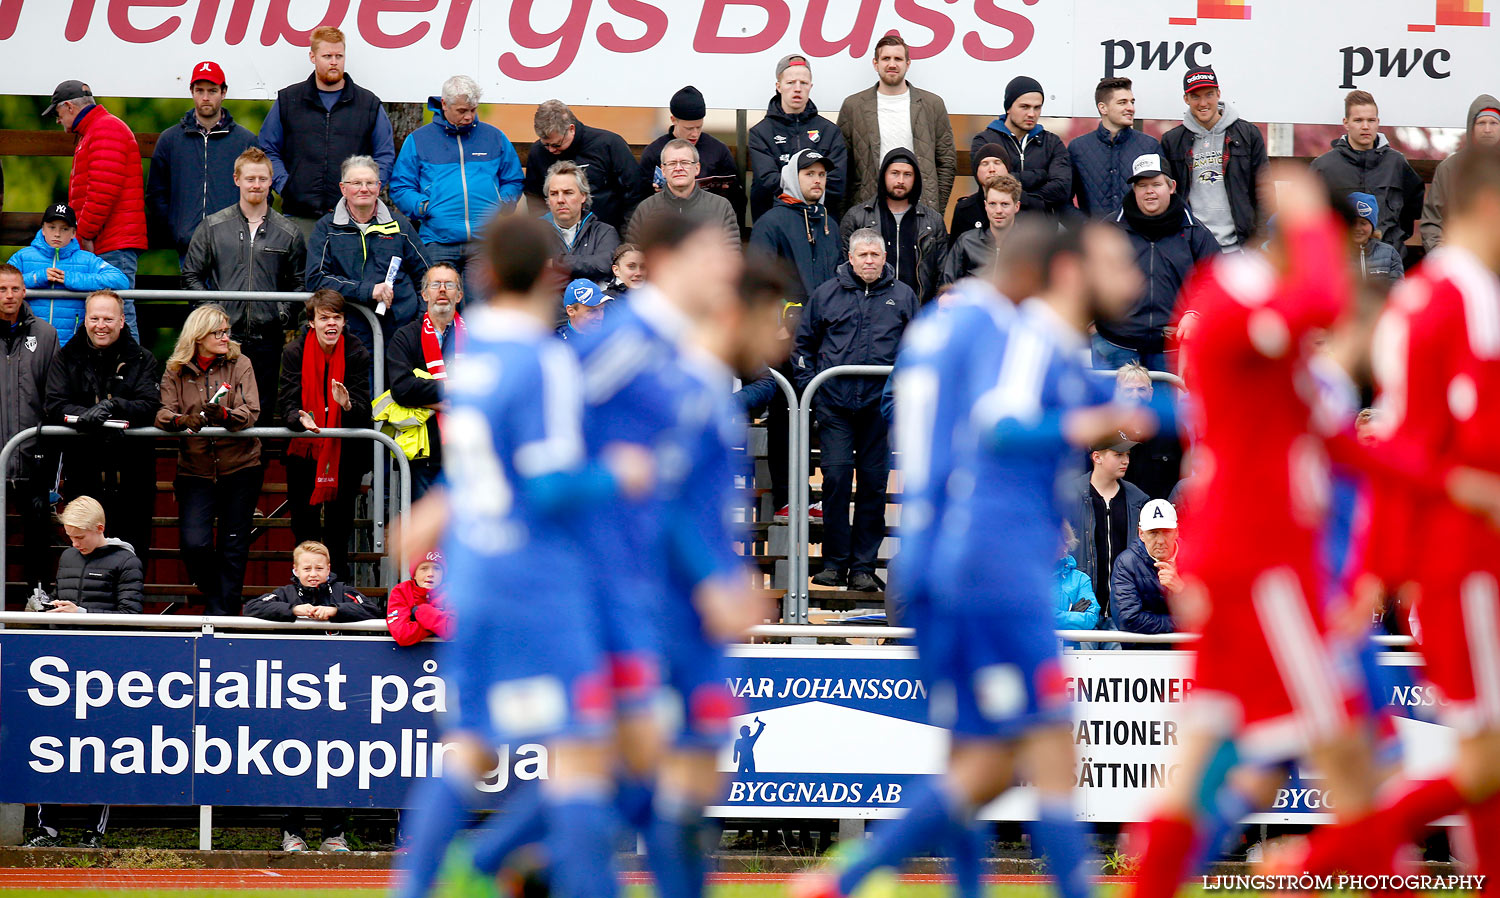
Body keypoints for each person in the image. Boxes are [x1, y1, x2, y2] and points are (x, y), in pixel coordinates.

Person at [799, 220, 1149, 898]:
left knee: (978, 762)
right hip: (991, 558)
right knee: (1048, 746)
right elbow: (1003, 426)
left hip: (932, 556)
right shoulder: (1028, 333)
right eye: (1116, 262)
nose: (1131, 279)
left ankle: (849, 881)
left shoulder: (938, 328)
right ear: (1065, 271)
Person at [1122, 166, 1388, 898]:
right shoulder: (1240, 287)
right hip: (1263, 560)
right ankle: (1306, 871)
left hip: (1261, 557)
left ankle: (1160, 881)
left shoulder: (1294, 347)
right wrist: (1308, 221)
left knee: (1224, 761)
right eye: (1336, 244)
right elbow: (1324, 298)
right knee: (1351, 755)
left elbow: (1340, 454)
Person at [390, 214, 657, 898]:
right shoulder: (544, 361)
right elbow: (546, 483)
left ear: (480, 278)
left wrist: (435, 508)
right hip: (536, 576)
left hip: (474, 573)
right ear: (552, 276)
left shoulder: (472, 361)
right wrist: (618, 474)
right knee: (582, 747)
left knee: (471, 746)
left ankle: (419, 885)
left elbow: (489, 466)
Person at [1271, 147, 1500, 886]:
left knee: (1479, 766)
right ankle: (1315, 861)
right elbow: (1405, 451)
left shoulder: (1472, 297)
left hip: (1459, 558)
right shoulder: (1436, 303)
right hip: (1457, 562)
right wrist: (1383, 565)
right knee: (1480, 760)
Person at [795, 228, 919, 591]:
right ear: (850, 258)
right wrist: (812, 393)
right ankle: (833, 563)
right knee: (834, 480)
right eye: (862, 255)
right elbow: (803, 346)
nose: (869, 261)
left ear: (884, 258)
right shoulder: (826, 294)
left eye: (875, 255)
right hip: (834, 405)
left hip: (879, 409)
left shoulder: (903, 296)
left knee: (873, 486)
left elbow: (918, 347)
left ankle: (863, 566)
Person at [243, 540, 379, 853]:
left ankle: (334, 835)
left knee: (339, 761)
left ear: (329, 569)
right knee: (293, 761)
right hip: (295, 695)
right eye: (307, 568)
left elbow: (372, 610)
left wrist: (336, 612)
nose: (314, 574)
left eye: (319, 568)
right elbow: (252, 608)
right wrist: (292, 611)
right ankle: (292, 833)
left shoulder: (343, 592)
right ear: (295, 570)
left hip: (340, 693)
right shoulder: (286, 594)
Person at [22, 496, 140, 851]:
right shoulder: (68, 556)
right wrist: (48, 610)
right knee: (52, 744)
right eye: (69, 537)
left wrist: (83, 611)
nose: (73, 543)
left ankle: (95, 830)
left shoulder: (127, 561)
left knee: (103, 748)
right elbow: (67, 601)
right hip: (64, 663)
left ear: (99, 529)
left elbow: (133, 616)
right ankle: (48, 828)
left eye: (79, 537)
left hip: (106, 666)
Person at [184, 146, 307, 422]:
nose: (257, 185)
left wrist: (283, 313)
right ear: (236, 179)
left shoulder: (289, 233)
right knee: (215, 407)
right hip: (221, 338)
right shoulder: (212, 226)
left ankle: (257, 466)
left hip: (267, 337)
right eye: (250, 178)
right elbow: (191, 276)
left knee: (259, 409)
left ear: (271, 181)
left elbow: (299, 282)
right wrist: (213, 318)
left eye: (263, 179)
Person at [155, 304, 262, 617]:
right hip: (195, 469)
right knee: (194, 545)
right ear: (198, 336)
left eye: (226, 331)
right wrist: (180, 420)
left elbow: (251, 411)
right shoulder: (175, 369)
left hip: (240, 466)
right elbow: (163, 411)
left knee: (233, 547)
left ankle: (224, 616)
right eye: (218, 332)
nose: (225, 337)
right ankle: (219, 599)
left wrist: (226, 415)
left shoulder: (240, 362)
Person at [45, 289, 159, 567]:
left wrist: (112, 407)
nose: (100, 325)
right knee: (85, 548)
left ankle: (127, 609)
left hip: (132, 470)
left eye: (108, 319)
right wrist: (88, 417)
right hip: (83, 466)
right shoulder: (65, 356)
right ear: (85, 320)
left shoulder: (144, 358)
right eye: (94, 318)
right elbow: (55, 403)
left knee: (132, 550)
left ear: (122, 320)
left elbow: (149, 404)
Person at [390, 74, 524, 303]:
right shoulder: (419, 140)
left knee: (480, 311)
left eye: (473, 109)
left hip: (484, 242)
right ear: (444, 104)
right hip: (437, 240)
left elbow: (513, 179)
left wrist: (505, 202)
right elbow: (401, 185)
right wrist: (422, 207)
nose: (469, 116)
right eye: (462, 110)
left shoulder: (495, 137)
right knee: (439, 309)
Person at [258, 26, 395, 231]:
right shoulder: (289, 100)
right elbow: (268, 148)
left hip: (354, 218)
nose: (334, 62)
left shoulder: (368, 104)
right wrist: (286, 185)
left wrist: (366, 191)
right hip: (299, 215)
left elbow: (384, 154)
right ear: (312, 57)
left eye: (339, 56)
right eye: (327, 56)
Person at [278, 289, 371, 582]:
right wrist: (299, 419)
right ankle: (303, 588)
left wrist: (347, 405)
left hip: (345, 454)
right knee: (304, 527)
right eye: (324, 318)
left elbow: (364, 410)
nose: (331, 324)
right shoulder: (293, 352)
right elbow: (287, 404)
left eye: (337, 318)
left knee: (338, 529)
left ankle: (336, 593)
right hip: (305, 450)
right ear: (311, 322)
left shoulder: (356, 350)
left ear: (344, 322)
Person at [1098, 154, 1220, 371]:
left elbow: (1215, 277)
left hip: (1171, 349)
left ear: (1171, 187)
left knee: (1164, 407)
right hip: (1115, 345)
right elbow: (1086, 273)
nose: (1149, 191)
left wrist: (1195, 312)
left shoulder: (1194, 231)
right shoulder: (1110, 229)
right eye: (1142, 185)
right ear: (1134, 190)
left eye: (1156, 184)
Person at [42, 80, 146, 331]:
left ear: (68, 107)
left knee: (117, 314)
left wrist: (84, 234)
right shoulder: (100, 128)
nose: (58, 121)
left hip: (110, 242)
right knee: (111, 314)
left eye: (57, 113)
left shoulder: (103, 130)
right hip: (111, 240)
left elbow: (102, 194)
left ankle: (129, 370)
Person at [306, 155, 429, 351]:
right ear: (343, 189)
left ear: (379, 187)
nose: (364, 188)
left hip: (401, 332)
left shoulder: (400, 226)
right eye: (356, 183)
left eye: (370, 183)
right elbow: (316, 279)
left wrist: (418, 322)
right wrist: (368, 290)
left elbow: (426, 277)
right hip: (350, 332)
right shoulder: (326, 229)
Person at [146, 61, 257, 258]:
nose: (205, 97)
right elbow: (156, 194)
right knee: (191, 289)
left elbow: (259, 191)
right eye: (200, 90)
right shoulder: (170, 140)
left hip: (234, 248)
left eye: (212, 91)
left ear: (223, 92)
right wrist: (175, 230)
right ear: (192, 91)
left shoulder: (245, 141)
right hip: (187, 246)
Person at [835, 34, 957, 212]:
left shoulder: (932, 104)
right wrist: (846, 215)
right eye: (886, 58)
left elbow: (946, 160)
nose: (892, 64)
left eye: (898, 59)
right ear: (875, 63)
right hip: (868, 208)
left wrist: (936, 208)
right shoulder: (853, 106)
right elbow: (843, 165)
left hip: (919, 209)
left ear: (908, 64)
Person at [1159, 67, 1268, 254]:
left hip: (1240, 247)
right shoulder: (1172, 141)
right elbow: (1169, 197)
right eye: (1195, 97)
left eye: (1209, 94)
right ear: (1186, 99)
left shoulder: (1248, 134)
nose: (1203, 103)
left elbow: (1263, 190)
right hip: (1193, 247)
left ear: (1218, 93)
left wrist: (1259, 241)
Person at [0, 264, 60, 599]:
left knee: (38, 536)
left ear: (24, 291)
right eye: (1, 289)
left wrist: (46, 448)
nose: (9, 296)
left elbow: (55, 397)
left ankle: (38, 600)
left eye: (14, 289)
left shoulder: (47, 335)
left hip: (33, 455)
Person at [1311, 89, 1425, 251]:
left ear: (1378, 122)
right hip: (1339, 259)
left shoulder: (1396, 163)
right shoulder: (1324, 166)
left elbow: (1413, 210)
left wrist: (1394, 241)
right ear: (1346, 123)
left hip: (1388, 262)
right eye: (1358, 120)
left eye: (1371, 120)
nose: (1365, 126)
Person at [386, 263, 464, 500]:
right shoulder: (405, 336)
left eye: (449, 285)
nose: (442, 290)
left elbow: (487, 387)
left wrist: (429, 399)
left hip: (467, 454)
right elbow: (402, 389)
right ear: (424, 294)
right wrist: (449, 390)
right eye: (435, 284)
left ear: (459, 295)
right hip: (425, 454)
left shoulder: (477, 337)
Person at [6, 203, 128, 345]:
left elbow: (120, 280)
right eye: (52, 227)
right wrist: (37, 277)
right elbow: (3, 281)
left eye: (64, 229)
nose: (57, 234)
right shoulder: (22, 256)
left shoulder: (86, 259)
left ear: (73, 233)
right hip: (28, 341)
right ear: (43, 229)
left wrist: (72, 279)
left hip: (71, 345)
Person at [839, 148, 947, 303]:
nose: (900, 181)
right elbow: (844, 269)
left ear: (915, 179)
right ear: (883, 175)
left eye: (907, 174)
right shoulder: (857, 217)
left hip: (918, 311)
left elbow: (942, 272)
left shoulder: (932, 221)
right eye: (894, 173)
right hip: (869, 310)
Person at [748, 55, 849, 219]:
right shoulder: (760, 133)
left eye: (803, 83)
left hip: (820, 223)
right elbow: (768, 182)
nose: (797, 88)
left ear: (811, 86)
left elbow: (836, 182)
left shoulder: (830, 131)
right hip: (776, 223)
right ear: (778, 86)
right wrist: (810, 189)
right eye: (790, 83)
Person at [523, 100, 647, 232]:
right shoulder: (538, 152)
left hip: (608, 233)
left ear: (571, 129)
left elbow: (634, 194)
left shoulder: (608, 144)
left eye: (557, 144)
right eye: (546, 145)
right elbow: (535, 200)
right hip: (557, 237)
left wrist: (626, 238)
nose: (551, 150)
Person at [1067, 432, 1148, 630]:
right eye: (1118, 454)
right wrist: (1066, 602)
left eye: (1127, 455)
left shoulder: (1138, 500)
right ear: (1097, 457)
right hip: (1080, 611)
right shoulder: (1069, 496)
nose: (1126, 460)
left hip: (1124, 614)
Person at [639, 86, 747, 226]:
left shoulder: (718, 150)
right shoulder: (654, 152)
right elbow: (639, 199)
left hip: (710, 225)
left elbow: (737, 198)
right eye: (689, 128)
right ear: (673, 120)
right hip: (665, 226)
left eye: (699, 127)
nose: (695, 134)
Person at [968, 76, 1072, 218]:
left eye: (1037, 107)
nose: (1031, 114)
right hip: (995, 226)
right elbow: (990, 183)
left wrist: (1016, 192)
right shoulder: (985, 140)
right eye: (1024, 107)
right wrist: (1040, 175)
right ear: (1008, 107)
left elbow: (1061, 189)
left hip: (1041, 228)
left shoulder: (1052, 142)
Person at [748, 150, 840, 302]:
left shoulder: (830, 224)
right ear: (792, 177)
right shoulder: (770, 223)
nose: (817, 180)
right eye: (809, 174)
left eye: (821, 174)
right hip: (787, 320)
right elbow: (758, 282)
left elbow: (840, 276)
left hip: (828, 319)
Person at [1070, 76, 1162, 218]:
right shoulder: (1078, 148)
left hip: (1140, 238)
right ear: (1103, 108)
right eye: (1122, 103)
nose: (1130, 108)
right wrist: (1086, 229)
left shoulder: (1150, 146)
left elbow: (1164, 195)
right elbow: (1063, 201)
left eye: (1132, 102)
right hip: (1093, 238)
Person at [626, 139, 740, 248]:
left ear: (697, 168)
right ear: (663, 170)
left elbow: (732, 255)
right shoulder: (646, 209)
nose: (678, 168)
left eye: (685, 162)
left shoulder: (720, 207)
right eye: (672, 163)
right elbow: (634, 255)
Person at [1421, 94, 1500, 251]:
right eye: (1481, 123)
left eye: (1494, 123)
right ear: (1471, 127)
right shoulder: (1449, 168)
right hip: (1459, 258)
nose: (1487, 129)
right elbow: (1432, 221)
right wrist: (1439, 253)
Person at [1110, 498, 1180, 646]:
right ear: (1141, 534)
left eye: (1166, 532)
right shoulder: (1127, 562)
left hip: (1188, 655)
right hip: (1142, 657)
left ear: (1177, 531)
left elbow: (1214, 612)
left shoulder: (1195, 558)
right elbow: (1128, 620)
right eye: (1153, 533)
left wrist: (1182, 589)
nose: (1160, 540)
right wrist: (1182, 622)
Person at [541, 160, 621, 283]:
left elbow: (604, 266)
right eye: (554, 194)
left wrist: (556, 263)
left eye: (568, 193)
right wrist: (585, 266)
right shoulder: (534, 234)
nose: (560, 199)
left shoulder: (604, 232)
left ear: (583, 196)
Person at [941, 174, 1023, 286]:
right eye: (992, 204)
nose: (998, 210)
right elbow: (947, 286)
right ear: (986, 206)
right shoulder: (966, 242)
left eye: (1005, 204)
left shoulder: (1029, 246)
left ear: (1016, 206)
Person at [386, 550, 451, 646]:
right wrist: (438, 625)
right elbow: (402, 634)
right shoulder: (401, 591)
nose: (431, 574)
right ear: (414, 574)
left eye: (437, 568)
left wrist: (421, 611)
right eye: (424, 568)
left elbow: (453, 628)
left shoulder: (452, 592)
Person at [948, 143, 1010, 242]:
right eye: (985, 164)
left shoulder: (1030, 206)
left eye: (997, 163)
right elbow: (955, 252)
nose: (992, 169)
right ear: (976, 171)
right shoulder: (964, 209)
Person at [1053, 522, 1100, 647]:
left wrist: (1057, 616)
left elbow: (1091, 618)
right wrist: (1072, 613)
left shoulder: (1081, 579)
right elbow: (1037, 615)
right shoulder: (1032, 577)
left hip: (1072, 653)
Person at [1346, 191, 1404, 283]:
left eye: (1363, 223)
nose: (1357, 228)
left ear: (1373, 226)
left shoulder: (1389, 253)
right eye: (1352, 223)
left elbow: (1398, 290)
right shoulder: (1334, 254)